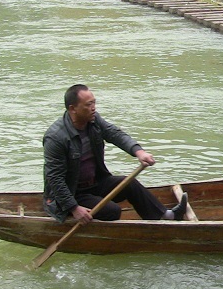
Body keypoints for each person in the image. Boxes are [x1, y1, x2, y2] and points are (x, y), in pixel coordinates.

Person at [43, 84, 188, 224]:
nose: (93, 108)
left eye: (94, 103)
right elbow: (55, 179)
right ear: (72, 109)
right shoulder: (55, 137)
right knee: (112, 211)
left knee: (129, 184)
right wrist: (73, 208)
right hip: (73, 193)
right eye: (88, 105)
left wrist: (139, 152)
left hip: (95, 183)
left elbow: (115, 134)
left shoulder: (93, 120)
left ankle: (166, 216)